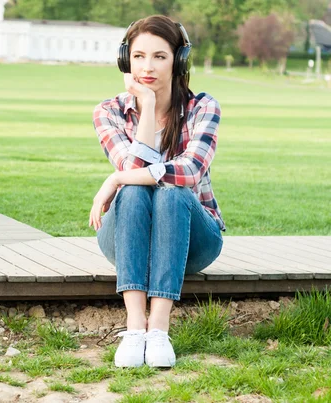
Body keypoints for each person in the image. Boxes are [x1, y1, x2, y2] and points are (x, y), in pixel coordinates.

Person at [88, 15, 226, 369]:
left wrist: (115, 179)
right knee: (134, 192)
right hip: (126, 241)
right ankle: (136, 328)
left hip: (193, 241)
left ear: (180, 60)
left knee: (173, 192)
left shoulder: (203, 107)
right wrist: (147, 107)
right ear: (126, 60)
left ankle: (159, 328)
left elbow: (190, 172)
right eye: (138, 56)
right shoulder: (109, 112)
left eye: (160, 57)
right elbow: (133, 173)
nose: (147, 67)